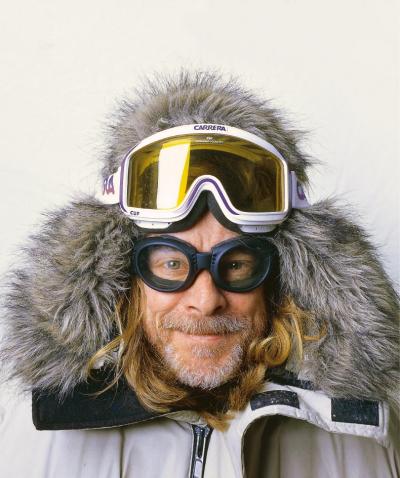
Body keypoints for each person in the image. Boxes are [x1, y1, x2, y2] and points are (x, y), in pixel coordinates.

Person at [0, 71, 398, 478]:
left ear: (280, 277)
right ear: (123, 277)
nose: (206, 301)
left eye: (236, 265)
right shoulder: (35, 437)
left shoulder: (366, 439)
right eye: (172, 264)